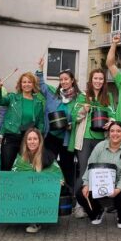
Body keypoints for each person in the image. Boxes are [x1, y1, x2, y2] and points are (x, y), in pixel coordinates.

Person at [70, 68, 114, 217]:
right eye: (96, 78)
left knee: (98, 172)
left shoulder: (108, 96)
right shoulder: (83, 96)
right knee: (83, 172)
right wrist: (83, 110)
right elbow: (74, 117)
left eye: (101, 79)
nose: (98, 81)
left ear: (104, 81)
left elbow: (113, 115)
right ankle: (79, 204)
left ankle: (96, 204)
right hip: (85, 139)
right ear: (91, 80)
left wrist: (110, 123)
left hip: (101, 139)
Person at [77, 121, 121, 227]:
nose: (115, 134)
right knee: (80, 193)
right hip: (99, 184)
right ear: (108, 133)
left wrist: (117, 189)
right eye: (112, 131)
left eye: (118, 131)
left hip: (119, 186)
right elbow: (90, 165)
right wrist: (86, 184)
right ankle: (97, 212)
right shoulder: (100, 146)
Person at [36, 57, 79, 196]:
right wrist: (40, 69)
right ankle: (45, 192)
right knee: (46, 163)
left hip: (67, 139)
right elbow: (41, 84)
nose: (63, 82)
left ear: (72, 80)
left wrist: (72, 124)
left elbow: (81, 115)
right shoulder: (53, 94)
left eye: (66, 79)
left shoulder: (78, 98)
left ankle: (68, 194)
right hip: (52, 136)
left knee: (67, 167)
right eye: (61, 80)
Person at [10, 128, 62, 233]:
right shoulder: (20, 158)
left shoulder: (47, 156)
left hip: (42, 192)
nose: (32, 142)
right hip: (25, 191)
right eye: (29, 139)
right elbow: (13, 176)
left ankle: (36, 221)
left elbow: (57, 174)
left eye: (35, 139)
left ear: (40, 141)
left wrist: (57, 181)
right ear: (25, 142)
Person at [0, 72, 45, 171]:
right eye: (24, 82)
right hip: (11, 137)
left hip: (28, 140)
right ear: (20, 84)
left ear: (33, 84)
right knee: (6, 166)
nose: (26, 84)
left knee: (24, 168)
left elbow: (41, 122)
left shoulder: (38, 102)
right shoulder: (12, 97)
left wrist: (39, 136)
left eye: (29, 82)